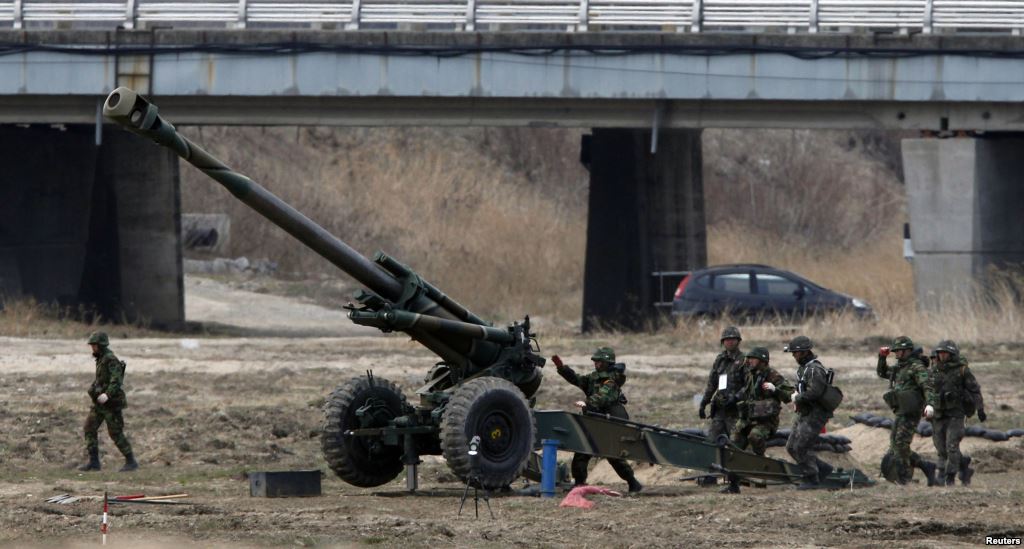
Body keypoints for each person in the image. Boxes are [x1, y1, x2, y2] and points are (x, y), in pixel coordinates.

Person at [552, 347, 642, 493]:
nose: (596, 364)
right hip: (594, 423)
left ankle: (633, 483)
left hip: (607, 424)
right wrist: (562, 368)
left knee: (613, 456)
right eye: (595, 361)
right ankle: (579, 485)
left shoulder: (612, 381)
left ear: (607, 363)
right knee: (581, 453)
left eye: (600, 362)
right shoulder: (594, 377)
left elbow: (602, 397)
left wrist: (587, 403)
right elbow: (577, 379)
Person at [876, 336, 939, 486]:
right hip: (901, 410)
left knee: (901, 444)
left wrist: (930, 405)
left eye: (899, 351)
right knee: (896, 445)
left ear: (907, 351)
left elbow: (927, 386)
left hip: (911, 411)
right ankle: (924, 466)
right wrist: (882, 358)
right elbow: (883, 372)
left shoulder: (916, 367)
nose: (896, 354)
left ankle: (904, 476)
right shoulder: (900, 367)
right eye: (895, 351)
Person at [925, 340, 986, 486]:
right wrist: (927, 406)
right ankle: (963, 464)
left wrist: (980, 409)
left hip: (956, 414)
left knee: (951, 444)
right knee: (941, 447)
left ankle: (949, 476)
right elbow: (928, 391)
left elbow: (974, 390)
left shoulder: (962, 370)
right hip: (938, 414)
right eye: (940, 353)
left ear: (952, 354)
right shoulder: (933, 371)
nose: (942, 356)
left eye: (945, 353)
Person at [78, 332, 138, 472]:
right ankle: (94, 462)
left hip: (111, 404)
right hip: (99, 403)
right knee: (89, 427)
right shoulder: (101, 359)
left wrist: (107, 394)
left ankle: (131, 461)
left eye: (94, 345)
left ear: (101, 345)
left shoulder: (111, 359)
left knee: (115, 433)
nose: (92, 348)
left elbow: (116, 381)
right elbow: (101, 379)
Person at [784, 335, 835, 490]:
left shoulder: (815, 370)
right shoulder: (804, 369)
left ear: (805, 352)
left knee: (800, 446)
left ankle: (812, 478)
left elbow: (816, 392)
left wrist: (798, 398)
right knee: (791, 446)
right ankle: (823, 469)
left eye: (796, 353)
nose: (793, 356)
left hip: (815, 414)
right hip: (805, 412)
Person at [731, 347, 794, 457]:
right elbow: (745, 391)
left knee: (754, 436)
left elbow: (790, 395)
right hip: (748, 419)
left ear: (762, 360)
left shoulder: (773, 375)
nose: (750, 361)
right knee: (734, 440)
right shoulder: (750, 375)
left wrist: (775, 389)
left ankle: (761, 459)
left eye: (753, 358)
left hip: (766, 422)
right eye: (749, 358)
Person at [699, 326, 747, 445]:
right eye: (727, 339)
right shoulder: (720, 360)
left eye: (733, 339)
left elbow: (749, 386)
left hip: (736, 410)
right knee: (711, 441)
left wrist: (735, 398)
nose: (730, 342)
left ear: (738, 341)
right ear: (723, 342)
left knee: (737, 444)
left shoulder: (744, 361)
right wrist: (704, 403)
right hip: (720, 409)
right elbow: (712, 383)